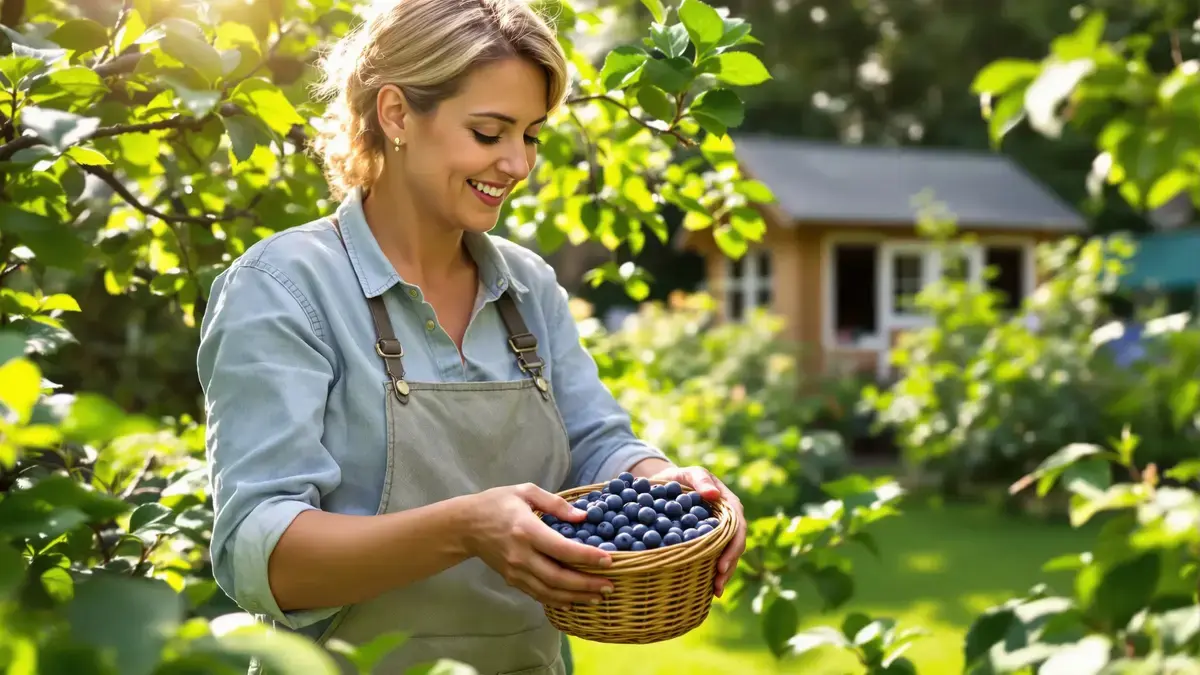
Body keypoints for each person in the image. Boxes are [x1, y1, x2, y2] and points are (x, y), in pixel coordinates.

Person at [195, 0, 747, 673]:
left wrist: (669, 485)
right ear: (396, 114)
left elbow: (597, 446)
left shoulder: (528, 286)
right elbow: (263, 554)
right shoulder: (284, 288)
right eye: (489, 133)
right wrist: (463, 529)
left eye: (533, 136)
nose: (517, 164)